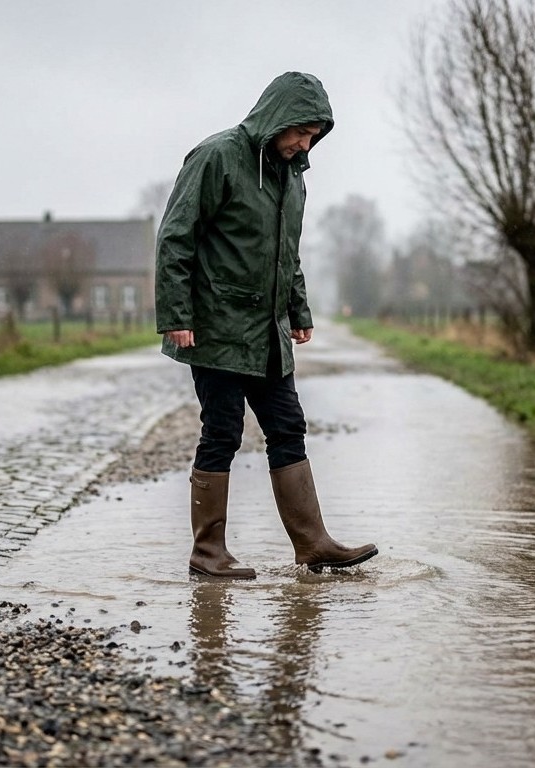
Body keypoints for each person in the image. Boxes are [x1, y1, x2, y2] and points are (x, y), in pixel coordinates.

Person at [155, 71, 378, 579]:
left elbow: (286, 254)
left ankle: (313, 543)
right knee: (222, 433)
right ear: (278, 117)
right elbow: (175, 238)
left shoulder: (291, 175)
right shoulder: (216, 157)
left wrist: (298, 312)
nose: (305, 144)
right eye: (301, 132)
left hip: (269, 334)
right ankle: (208, 553)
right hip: (216, 329)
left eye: (314, 137)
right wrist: (176, 315)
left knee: (288, 427)